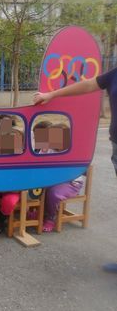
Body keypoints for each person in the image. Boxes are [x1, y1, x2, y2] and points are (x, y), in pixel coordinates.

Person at [34, 68, 117, 272]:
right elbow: (89, 84)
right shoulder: (114, 74)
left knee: (52, 191)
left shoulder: (64, 143)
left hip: (69, 180)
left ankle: (49, 217)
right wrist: (51, 95)